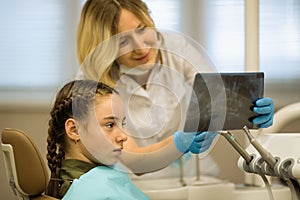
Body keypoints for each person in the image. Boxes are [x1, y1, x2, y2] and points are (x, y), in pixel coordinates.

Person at [76, 0, 274, 178]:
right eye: (123, 41)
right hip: (139, 184)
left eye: (142, 29)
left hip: (194, 175)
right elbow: (131, 158)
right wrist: (178, 142)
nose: (141, 48)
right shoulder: (90, 82)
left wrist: (248, 110)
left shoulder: (175, 47)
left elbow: (216, 94)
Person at [45, 79, 216, 199]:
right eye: (110, 125)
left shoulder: (98, 177)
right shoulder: (92, 189)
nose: (123, 136)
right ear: (74, 130)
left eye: (123, 124)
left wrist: (179, 144)